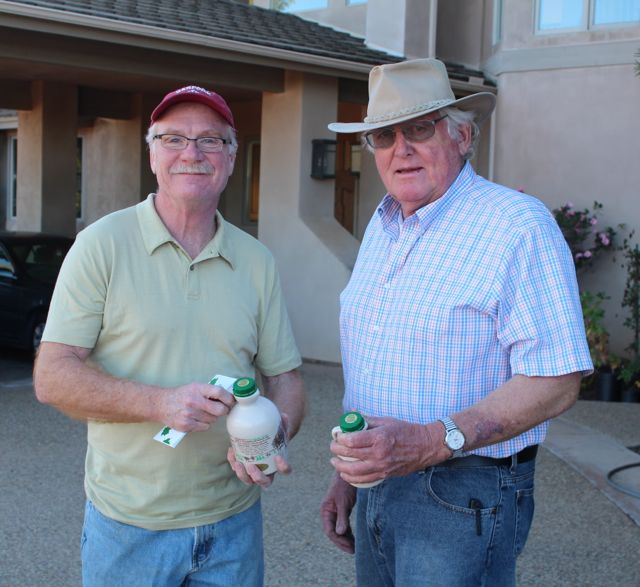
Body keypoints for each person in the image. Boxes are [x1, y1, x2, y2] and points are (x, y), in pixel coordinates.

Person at [320, 58, 592, 586]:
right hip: (381, 479)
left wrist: (432, 439)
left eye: (419, 128)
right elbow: (378, 358)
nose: (400, 148)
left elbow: (557, 380)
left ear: (462, 137)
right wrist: (348, 477)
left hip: (463, 489)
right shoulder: (384, 225)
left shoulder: (515, 225)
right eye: (382, 135)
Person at [34, 85, 305, 586]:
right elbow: (52, 378)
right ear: (152, 152)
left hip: (234, 524)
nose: (192, 154)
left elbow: (285, 378)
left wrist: (273, 435)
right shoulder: (101, 246)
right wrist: (159, 403)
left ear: (231, 156)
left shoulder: (256, 260)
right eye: (174, 138)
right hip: (129, 527)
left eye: (210, 141)